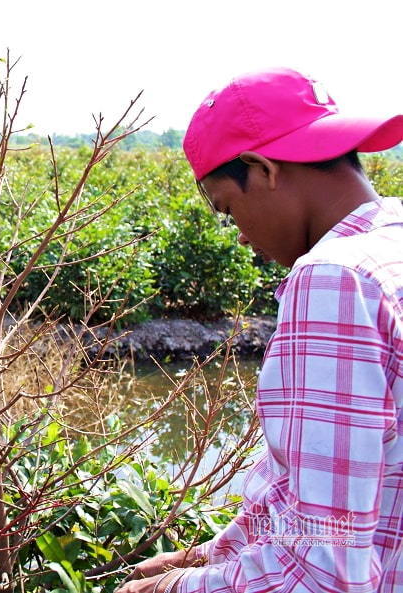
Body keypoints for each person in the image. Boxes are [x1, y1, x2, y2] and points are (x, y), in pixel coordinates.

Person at [117, 68, 403, 593]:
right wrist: (210, 554)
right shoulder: (391, 248)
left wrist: (163, 590)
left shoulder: (334, 279)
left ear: (262, 168)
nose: (243, 237)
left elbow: (323, 576)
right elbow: (353, 496)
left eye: (228, 210)